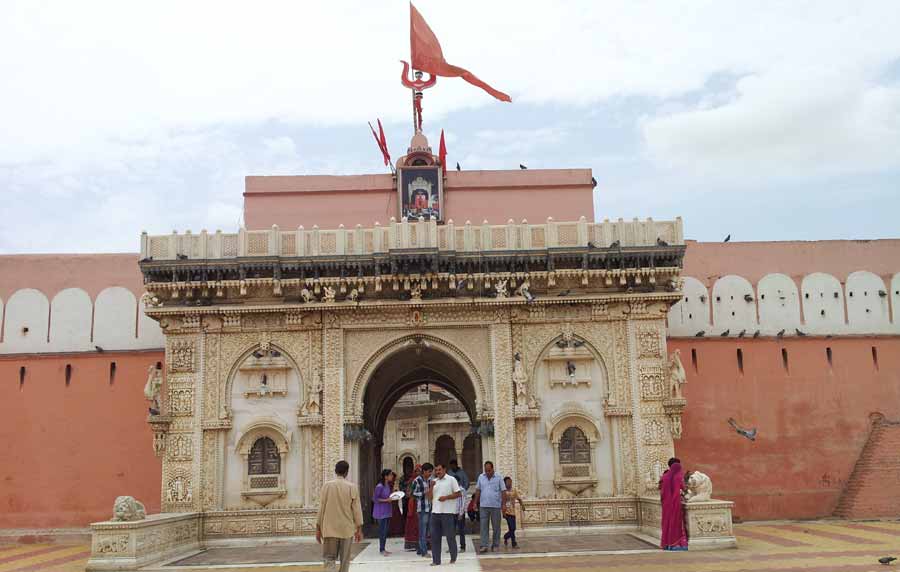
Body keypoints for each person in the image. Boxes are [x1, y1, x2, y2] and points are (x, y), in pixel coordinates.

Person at [316, 460, 363, 572]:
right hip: (346, 530)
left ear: (335, 471)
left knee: (329, 558)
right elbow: (357, 510)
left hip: (329, 529)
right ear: (346, 472)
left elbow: (321, 509)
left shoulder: (326, 486)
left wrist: (318, 528)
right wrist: (359, 529)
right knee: (345, 560)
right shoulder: (352, 487)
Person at [428, 462, 462, 566]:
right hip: (435, 512)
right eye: (436, 470)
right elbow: (429, 498)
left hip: (447, 512)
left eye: (439, 470)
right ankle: (436, 560)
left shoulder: (451, 479)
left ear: (444, 469)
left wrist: (446, 498)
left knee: (450, 536)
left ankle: (453, 557)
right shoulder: (434, 481)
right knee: (435, 537)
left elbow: (458, 493)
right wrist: (431, 487)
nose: (437, 472)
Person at [474, 461, 504, 553]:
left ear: (493, 469)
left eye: (489, 470)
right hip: (484, 506)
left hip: (496, 506)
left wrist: (503, 505)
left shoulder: (499, 477)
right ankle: (484, 545)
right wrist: (475, 503)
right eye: (486, 470)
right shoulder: (481, 477)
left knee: (496, 527)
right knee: (483, 526)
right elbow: (478, 490)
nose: (487, 472)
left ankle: (495, 544)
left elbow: (503, 491)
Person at [660, 459, 688, 551]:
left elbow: (661, 489)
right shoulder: (678, 476)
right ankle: (675, 544)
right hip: (675, 503)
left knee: (667, 523)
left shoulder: (664, 476)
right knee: (675, 523)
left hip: (666, 504)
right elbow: (684, 488)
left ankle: (666, 544)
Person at [412, 463, 434, 557]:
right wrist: (425, 493)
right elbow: (413, 494)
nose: (430, 474)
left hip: (430, 507)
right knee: (423, 531)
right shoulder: (417, 480)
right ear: (424, 471)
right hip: (422, 508)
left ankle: (420, 549)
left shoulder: (430, 480)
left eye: (431, 472)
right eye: (429, 472)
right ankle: (424, 552)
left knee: (428, 530)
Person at [447, 459, 469, 552]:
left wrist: (461, 513)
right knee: (451, 530)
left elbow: (463, 501)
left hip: (459, 512)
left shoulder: (461, 490)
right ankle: (451, 547)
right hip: (451, 511)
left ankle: (462, 546)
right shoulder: (449, 473)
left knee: (461, 530)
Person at [373, 469, 395, 556]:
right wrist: (386, 500)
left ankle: (383, 548)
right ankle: (381, 549)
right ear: (386, 476)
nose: (392, 476)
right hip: (381, 512)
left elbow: (388, 496)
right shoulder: (379, 486)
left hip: (387, 510)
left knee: (385, 531)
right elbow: (375, 499)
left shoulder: (387, 485)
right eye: (390, 475)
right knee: (382, 531)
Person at [502, 476, 524, 548]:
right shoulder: (503, 491)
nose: (509, 483)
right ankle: (514, 543)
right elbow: (501, 502)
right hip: (506, 512)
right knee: (512, 528)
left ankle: (506, 537)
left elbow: (519, 498)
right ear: (504, 483)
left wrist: (522, 505)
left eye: (510, 482)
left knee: (512, 528)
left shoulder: (514, 490)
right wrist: (503, 512)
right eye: (508, 482)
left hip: (513, 511)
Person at [403, 465, 422, 551]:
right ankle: (413, 543)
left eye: (420, 471)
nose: (418, 473)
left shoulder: (424, 480)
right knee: (413, 522)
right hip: (413, 504)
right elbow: (408, 493)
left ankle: (423, 543)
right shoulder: (411, 481)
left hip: (422, 503)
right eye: (416, 471)